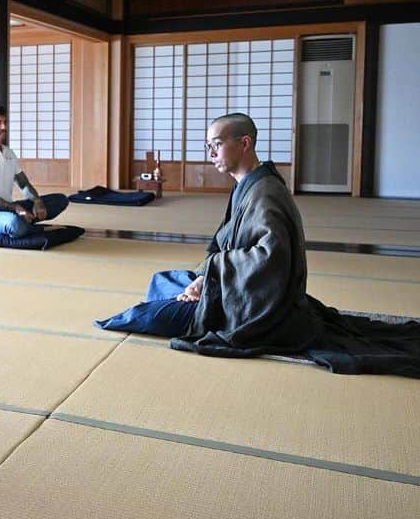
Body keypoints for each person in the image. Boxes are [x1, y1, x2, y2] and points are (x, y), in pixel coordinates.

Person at [98, 112, 420, 377]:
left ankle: (187, 303)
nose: (210, 154)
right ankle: (189, 296)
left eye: (217, 144)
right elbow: (221, 246)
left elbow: (270, 260)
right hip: (228, 288)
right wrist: (201, 280)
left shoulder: (266, 194)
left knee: (140, 316)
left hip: (252, 306)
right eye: (209, 146)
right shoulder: (245, 187)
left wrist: (211, 274)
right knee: (162, 279)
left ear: (244, 143)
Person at [0, 102, 68, 238]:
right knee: (14, 224)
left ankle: (25, 221)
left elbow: (23, 184)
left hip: (8, 208)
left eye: (5, 122)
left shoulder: (9, 152)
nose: (4, 127)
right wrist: (15, 208)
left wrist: (37, 201)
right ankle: (23, 224)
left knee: (60, 200)